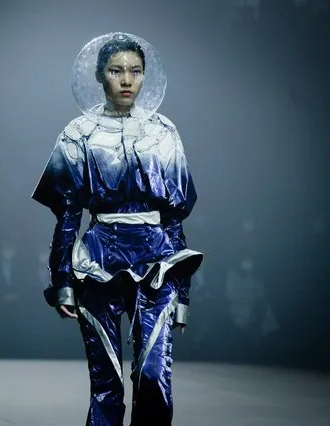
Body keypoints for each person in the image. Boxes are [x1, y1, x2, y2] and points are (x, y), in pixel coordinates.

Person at [32, 32, 203, 425]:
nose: (126, 80)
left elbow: (175, 216)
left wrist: (184, 295)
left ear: (145, 77)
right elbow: (68, 215)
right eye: (116, 70)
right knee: (105, 381)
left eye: (135, 71)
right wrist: (63, 281)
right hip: (99, 259)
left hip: (157, 261)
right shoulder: (79, 133)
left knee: (154, 376)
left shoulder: (163, 132)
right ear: (99, 76)